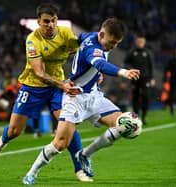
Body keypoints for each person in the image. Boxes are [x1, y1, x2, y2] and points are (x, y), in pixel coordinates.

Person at [22, 18, 140, 185]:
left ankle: (84, 155)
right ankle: (32, 172)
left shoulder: (92, 36)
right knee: (61, 144)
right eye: (112, 42)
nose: (114, 47)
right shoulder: (93, 48)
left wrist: (92, 73)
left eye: (117, 43)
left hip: (94, 96)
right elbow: (100, 63)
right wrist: (123, 72)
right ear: (101, 34)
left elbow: (81, 40)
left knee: (123, 125)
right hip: (75, 97)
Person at [0, 3, 92, 182]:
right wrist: (63, 85)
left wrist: (94, 71)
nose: (50, 25)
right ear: (38, 22)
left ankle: (79, 168)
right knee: (14, 130)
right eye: (45, 22)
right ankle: (1, 142)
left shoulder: (65, 34)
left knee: (67, 122)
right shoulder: (32, 40)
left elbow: (81, 53)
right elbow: (39, 73)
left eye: (53, 21)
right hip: (33, 87)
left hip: (56, 88)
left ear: (57, 20)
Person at [124, 32, 155, 124]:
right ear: (136, 41)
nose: (140, 42)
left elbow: (151, 65)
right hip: (135, 79)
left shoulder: (148, 52)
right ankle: (136, 117)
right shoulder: (131, 52)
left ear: (144, 42)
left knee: (146, 97)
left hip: (145, 79)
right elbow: (126, 63)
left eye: (142, 41)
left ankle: (144, 116)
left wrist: (152, 78)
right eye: (138, 41)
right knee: (135, 98)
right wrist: (130, 70)